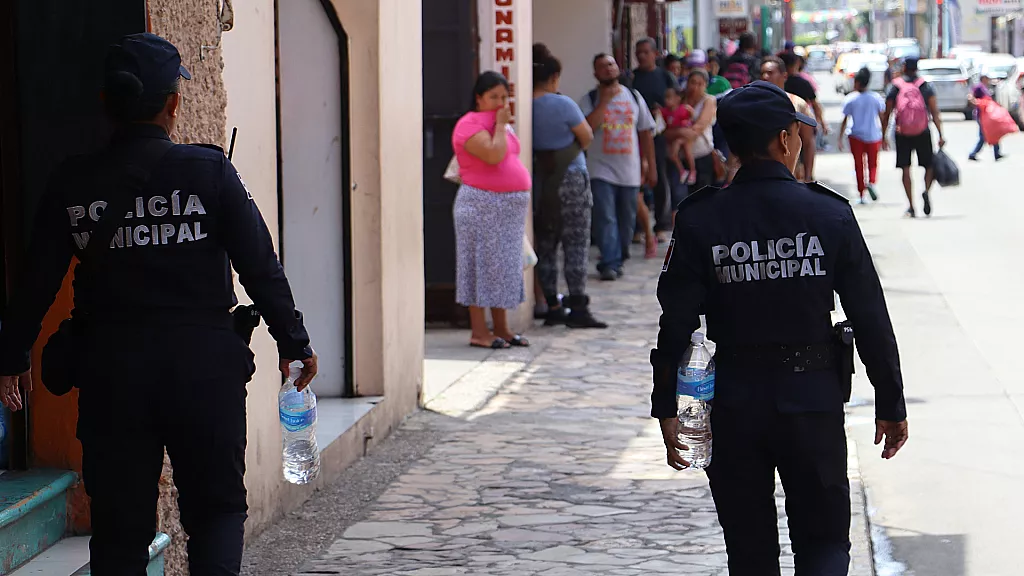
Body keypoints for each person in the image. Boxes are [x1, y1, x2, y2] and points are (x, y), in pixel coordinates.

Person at [0, 33, 318, 575]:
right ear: (174, 104)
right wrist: (295, 345)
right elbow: (260, 267)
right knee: (216, 512)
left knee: (120, 532)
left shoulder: (72, 182)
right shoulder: (210, 172)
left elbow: (37, 280)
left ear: (106, 104)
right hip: (204, 371)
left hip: (112, 374)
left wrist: (11, 356)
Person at [651, 80, 909, 575]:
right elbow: (869, 314)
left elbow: (677, 322)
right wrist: (890, 402)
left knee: (749, 553)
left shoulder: (701, 218)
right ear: (786, 139)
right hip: (811, 400)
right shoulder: (827, 214)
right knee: (825, 545)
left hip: (733, 404)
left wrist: (667, 404)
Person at [453, 71, 533, 348]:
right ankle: (479, 332)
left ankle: (502, 328)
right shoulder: (469, 124)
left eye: (504, 96)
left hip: (507, 210)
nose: (500, 102)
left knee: (503, 269)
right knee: (480, 268)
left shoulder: (502, 123)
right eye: (493, 97)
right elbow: (493, 154)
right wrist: (499, 125)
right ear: (479, 98)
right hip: (481, 205)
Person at [531, 44, 607, 329]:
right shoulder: (562, 104)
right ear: (553, 78)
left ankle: (551, 304)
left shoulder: (524, 107)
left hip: (542, 182)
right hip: (572, 178)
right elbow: (586, 136)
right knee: (576, 242)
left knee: (547, 244)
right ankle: (577, 306)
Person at [581, 53, 656, 281]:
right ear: (595, 73)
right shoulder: (589, 99)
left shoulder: (633, 96)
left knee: (626, 220)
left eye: (611, 64)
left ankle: (618, 257)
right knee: (606, 217)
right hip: (600, 169)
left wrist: (651, 166)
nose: (608, 69)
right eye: (602, 66)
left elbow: (645, 132)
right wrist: (604, 102)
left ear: (618, 68)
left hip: (629, 170)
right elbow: (586, 131)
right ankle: (609, 262)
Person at [882, 57, 945, 218]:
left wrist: (883, 135)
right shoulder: (925, 86)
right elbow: (934, 111)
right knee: (929, 165)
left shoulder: (895, 86)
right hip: (923, 131)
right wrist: (940, 133)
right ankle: (925, 191)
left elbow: (887, 113)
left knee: (905, 169)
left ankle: (911, 206)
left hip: (902, 133)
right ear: (916, 68)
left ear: (904, 68)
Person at [632, 38, 681, 243]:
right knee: (636, 180)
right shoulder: (632, 78)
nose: (642, 56)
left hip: (659, 134)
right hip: (634, 134)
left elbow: (677, 102)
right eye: (639, 52)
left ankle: (661, 224)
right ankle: (636, 227)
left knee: (659, 177)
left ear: (655, 54)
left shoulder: (665, 77)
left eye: (646, 52)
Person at [761, 56, 816, 182]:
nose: (765, 77)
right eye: (762, 73)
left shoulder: (797, 104)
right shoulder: (755, 104)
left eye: (770, 73)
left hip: (792, 177)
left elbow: (808, 142)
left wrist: (808, 178)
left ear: (784, 76)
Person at [838, 67, 886, 204]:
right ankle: (871, 182)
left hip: (855, 135)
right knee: (872, 164)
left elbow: (845, 119)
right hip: (873, 135)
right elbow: (882, 117)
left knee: (859, 165)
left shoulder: (850, 99)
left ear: (858, 82)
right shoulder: (876, 98)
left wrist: (840, 138)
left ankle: (861, 194)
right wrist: (884, 135)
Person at [672, 70, 719, 191]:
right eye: (692, 82)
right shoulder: (679, 99)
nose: (695, 87)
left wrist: (678, 132)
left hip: (702, 156)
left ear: (705, 86)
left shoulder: (708, 100)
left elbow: (698, 128)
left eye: (700, 84)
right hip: (680, 159)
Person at [780, 52, 826, 134]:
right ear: (795, 65)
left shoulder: (776, 82)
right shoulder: (803, 83)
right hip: (802, 123)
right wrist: (822, 124)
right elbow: (815, 105)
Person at [661, 87, 697, 185]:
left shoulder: (683, 109)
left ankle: (693, 171)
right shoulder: (665, 111)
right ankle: (682, 171)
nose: (666, 100)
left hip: (684, 137)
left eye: (669, 98)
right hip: (675, 137)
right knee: (673, 154)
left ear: (678, 98)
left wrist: (691, 115)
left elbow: (692, 120)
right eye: (666, 98)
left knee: (688, 151)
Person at [968, 73, 1005, 162]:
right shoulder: (979, 87)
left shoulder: (985, 87)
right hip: (981, 115)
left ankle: (997, 153)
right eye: (987, 78)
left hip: (988, 115)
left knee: (994, 133)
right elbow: (970, 96)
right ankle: (973, 153)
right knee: (983, 137)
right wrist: (977, 102)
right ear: (983, 78)